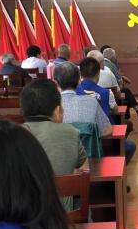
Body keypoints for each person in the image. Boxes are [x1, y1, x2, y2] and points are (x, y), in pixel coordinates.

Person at [21, 80, 88, 210]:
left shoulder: (13, 135)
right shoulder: (70, 132)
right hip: (63, 215)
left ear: (23, 111)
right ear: (57, 111)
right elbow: (85, 171)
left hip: (23, 216)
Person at [77, 57, 136, 164]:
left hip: (80, 141)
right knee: (131, 146)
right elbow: (115, 110)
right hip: (105, 137)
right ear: (98, 74)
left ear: (80, 74)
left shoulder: (74, 93)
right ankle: (117, 166)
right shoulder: (106, 92)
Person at [54, 62, 113, 137]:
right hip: (87, 144)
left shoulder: (50, 106)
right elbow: (107, 130)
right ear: (79, 81)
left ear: (55, 83)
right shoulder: (92, 101)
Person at [102, 47, 138, 120]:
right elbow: (120, 81)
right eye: (115, 56)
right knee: (126, 91)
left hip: (100, 93)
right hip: (111, 94)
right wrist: (121, 83)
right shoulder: (112, 65)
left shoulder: (99, 64)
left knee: (125, 94)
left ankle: (136, 113)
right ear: (112, 57)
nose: (115, 57)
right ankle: (137, 112)